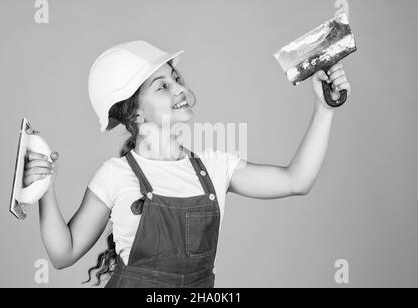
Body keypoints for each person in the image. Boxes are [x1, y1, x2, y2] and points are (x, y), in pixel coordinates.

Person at [23, 40, 351, 288]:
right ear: (136, 112)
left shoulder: (216, 167)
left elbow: (297, 181)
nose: (180, 88)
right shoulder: (116, 175)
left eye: (176, 78)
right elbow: (62, 254)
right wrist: (44, 190)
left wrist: (325, 109)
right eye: (162, 86)